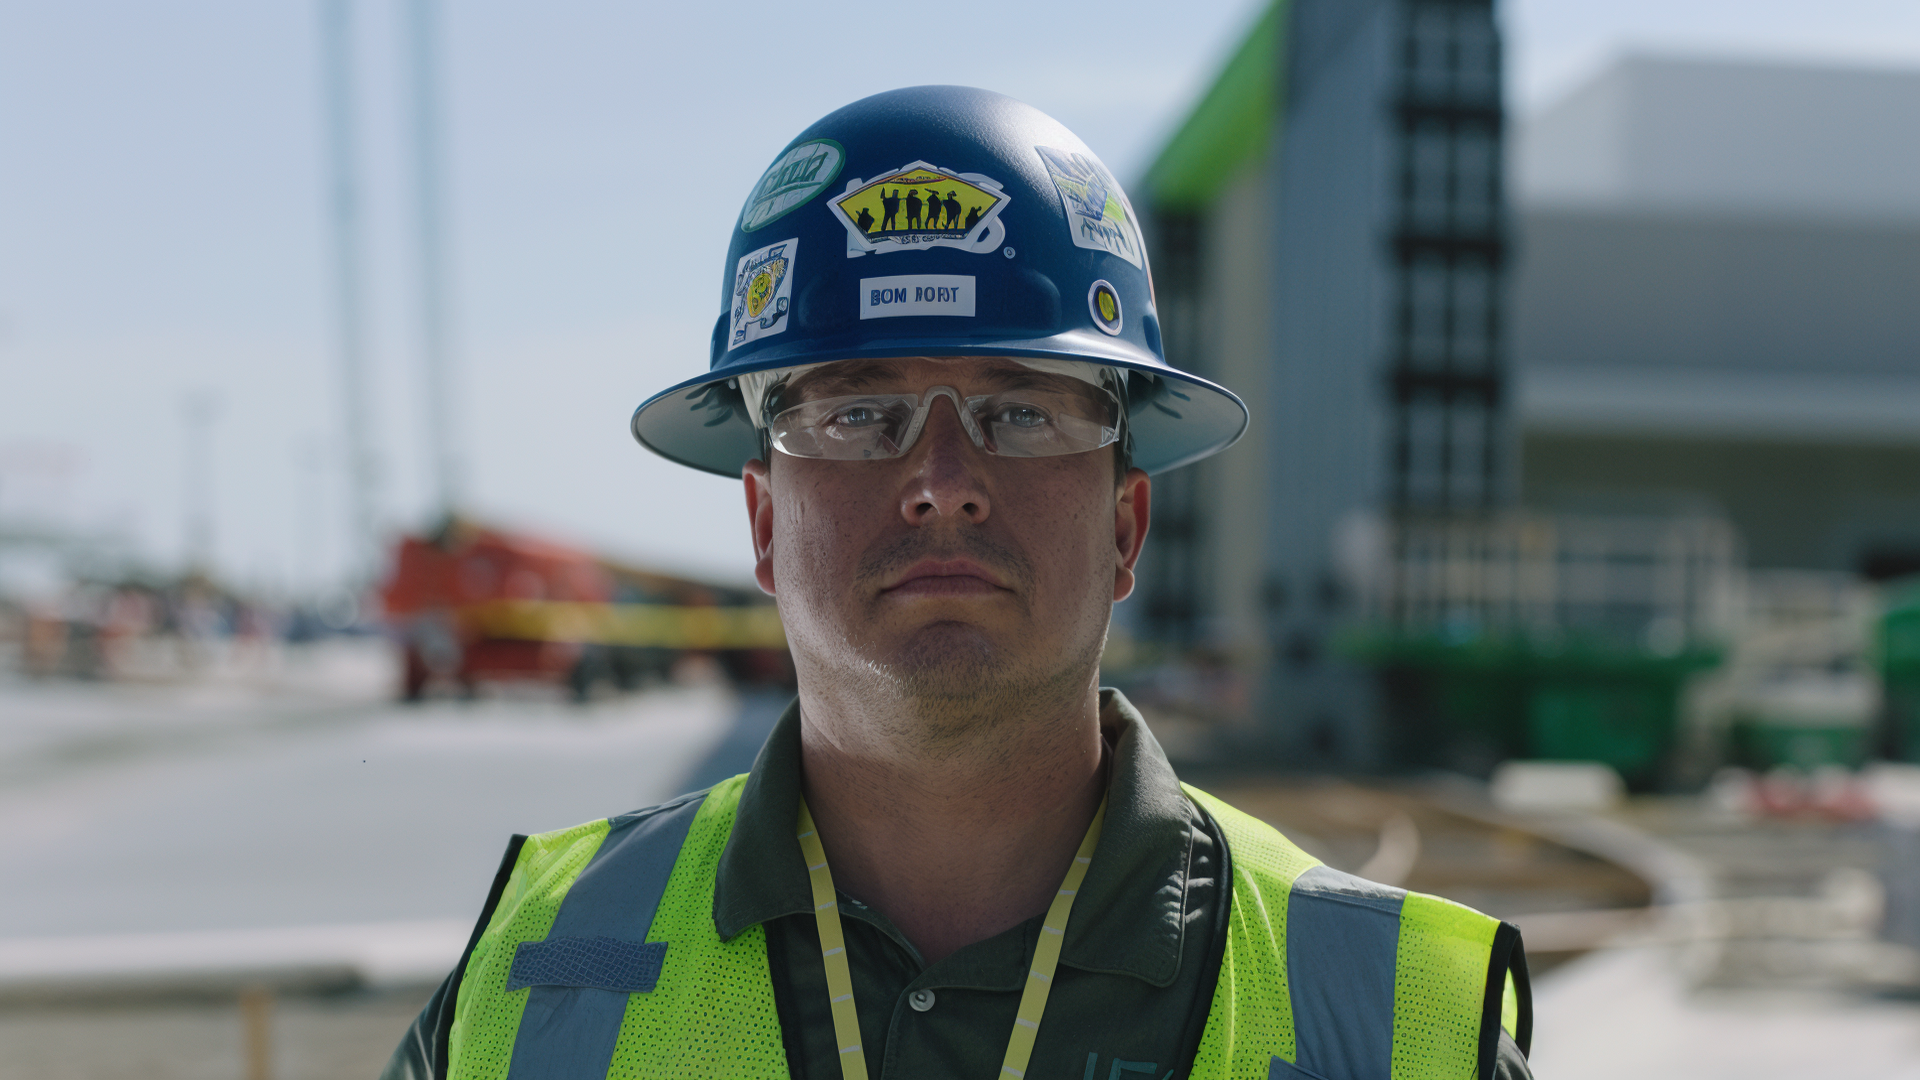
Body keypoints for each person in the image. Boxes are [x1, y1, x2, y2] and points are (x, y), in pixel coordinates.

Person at [381, 85, 1533, 1080]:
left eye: (1022, 412)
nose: (941, 482)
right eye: (860, 414)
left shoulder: (1396, 1021)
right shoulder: (535, 970)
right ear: (766, 519)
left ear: (1127, 523)